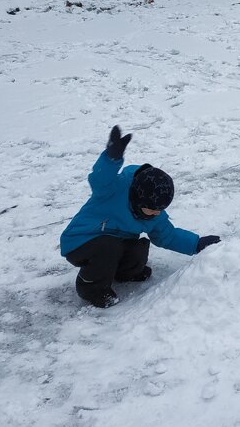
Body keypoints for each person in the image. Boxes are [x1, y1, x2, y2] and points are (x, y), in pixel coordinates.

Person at [60, 125, 221, 308]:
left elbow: (168, 236)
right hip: (80, 242)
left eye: (160, 209)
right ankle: (91, 289)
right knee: (108, 247)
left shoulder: (154, 213)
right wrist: (111, 159)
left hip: (113, 245)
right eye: (152, 209)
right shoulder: (112, 190)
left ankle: (124, 273)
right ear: (137, 199)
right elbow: (99, 178)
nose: (156, 213)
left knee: (139, 248)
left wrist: (196, 244)